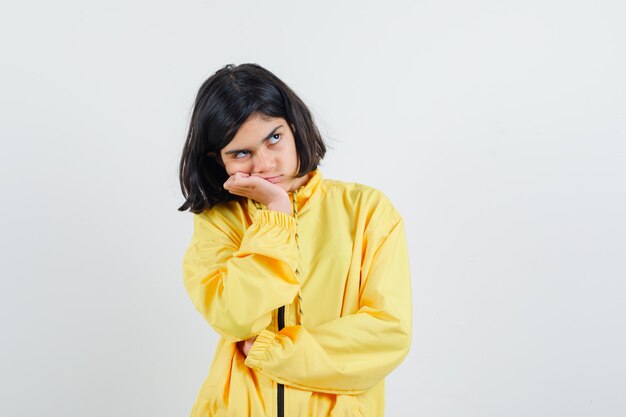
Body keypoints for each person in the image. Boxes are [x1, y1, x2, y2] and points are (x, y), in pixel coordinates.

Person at [178, 63, 412, 417]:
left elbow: (387, 334)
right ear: (218, 160)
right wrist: (276, 213)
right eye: (240, 153)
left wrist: (273, 352)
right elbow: (236, 318)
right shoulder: (219, 221)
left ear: (294, 125)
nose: (265, 164)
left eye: (274, 137)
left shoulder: (367, 210)